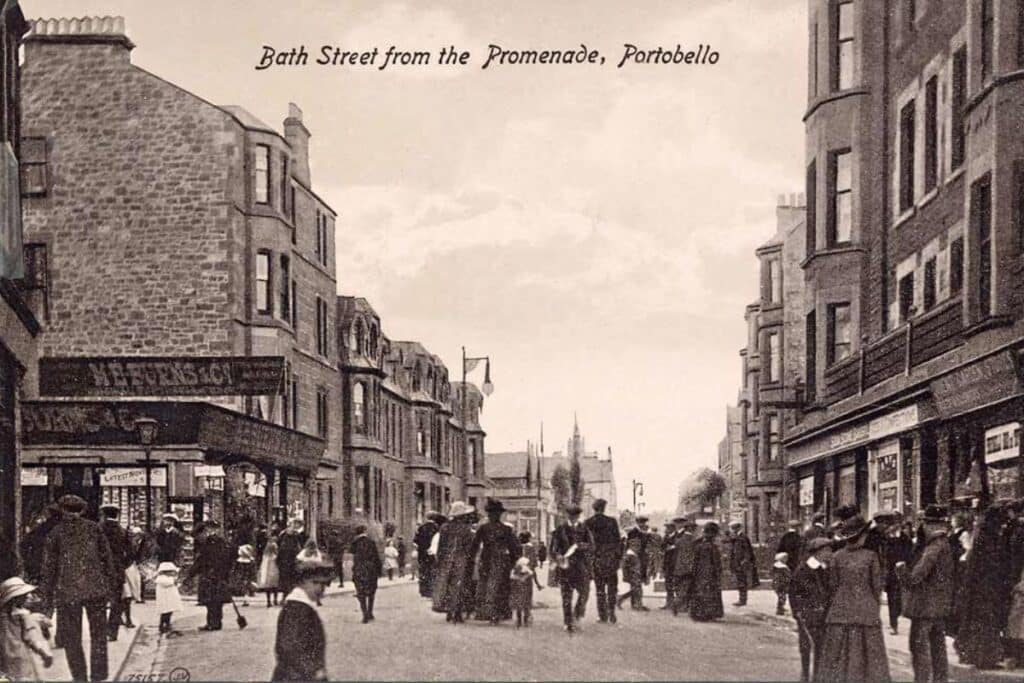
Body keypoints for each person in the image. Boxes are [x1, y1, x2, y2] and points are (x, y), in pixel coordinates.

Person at [40, 494, 117, 682]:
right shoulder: (94, 529)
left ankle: (79, 677)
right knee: (98, 635)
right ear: (82, 510)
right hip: (96, 589)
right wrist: (111, 588)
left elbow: (49, 568)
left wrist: (47, 598)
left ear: (61, 509)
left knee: (72, 638)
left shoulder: (55, 533)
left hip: (67, 592)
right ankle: (99, 675)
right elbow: (107, 560)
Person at [815, 512, 890, 683]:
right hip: (866, 611)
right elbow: (877, 586)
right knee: (870, 658)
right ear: (861, 536)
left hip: (840, 611)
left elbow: (832, 585)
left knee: (837, 657)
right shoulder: (871, 557)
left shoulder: (836, 557)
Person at [897, 505, 954, 683]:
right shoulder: (945, 543)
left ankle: (921, 680)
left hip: (925, 607)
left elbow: (916, 577)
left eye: (924, 523)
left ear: (929, 524)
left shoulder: (933, 547)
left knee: (918, 645)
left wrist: (901, 571)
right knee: (938, 645)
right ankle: (940, 679)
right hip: (940, 605)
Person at [955, 504, 1011, 669]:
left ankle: (977, 655)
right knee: (986, 622)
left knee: (979, 621)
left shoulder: (982, 534)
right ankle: (984, 658)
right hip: (985, 586)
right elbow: (990, 563)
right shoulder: (989, 537)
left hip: (980, 586)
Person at [271, 559, 333, 681]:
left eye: (324, 584)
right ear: (302, 583)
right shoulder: (298, 610)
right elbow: (289, 647)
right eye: (316, 583)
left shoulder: (302, 607)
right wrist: (313, 670)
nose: (321, 589)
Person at [790, 537, 833, 683]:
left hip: (822, 613)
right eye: (827, 550)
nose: (830, 553)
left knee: (820, 646)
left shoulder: (824, 568)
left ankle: (817, 676)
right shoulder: (803, 569)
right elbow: (794, 593)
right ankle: (805, 674)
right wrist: (797, 612)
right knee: (806, 645)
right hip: (807, 613)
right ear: (818, 552)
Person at [471, 499, 521, 624]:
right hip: (499, 560)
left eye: (495, 513)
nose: (493, 516)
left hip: (489, 559)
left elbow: (475, 545)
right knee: (498, 586)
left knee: (489, 585)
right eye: (493, 513)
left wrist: (472, 558)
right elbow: (514, 547)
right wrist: (516, 560)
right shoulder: (505, 529)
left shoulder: (484, 528)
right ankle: (496, 614)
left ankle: (489, 613)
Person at [550, 505, 595, 632]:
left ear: (579, 516)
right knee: (566, 596)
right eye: (571, 516)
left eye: (576, 516)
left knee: (585, 592)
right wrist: (557, 555)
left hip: (581, 566)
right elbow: (553, 548)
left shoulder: (585, 529)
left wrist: (581, 546)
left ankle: (577, 614)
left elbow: (592, 546)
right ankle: (568, 622)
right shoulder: (560, 530)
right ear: (568, 516)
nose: (574, 518)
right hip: (566, 567)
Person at [0, 576, 54, 680]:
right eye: (24, 595)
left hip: (5, 662)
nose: (28, 596)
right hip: (23, 660)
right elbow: (31, 637)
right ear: (16, 598)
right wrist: (44, 653)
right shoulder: (24, 616)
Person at [185, 520, 234, 632]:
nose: (198, 539)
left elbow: (201, 561)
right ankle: (215, 623)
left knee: (212, 601)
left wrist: (191, 574)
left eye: (198, 536)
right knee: (215, 601)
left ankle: (213, 623)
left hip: (211, 576)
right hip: (218, 575)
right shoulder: (219, 542)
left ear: (203, 533)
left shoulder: (210, 544)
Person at [432, 502, 476, 623]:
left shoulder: (445, 527)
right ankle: (457, 612)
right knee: (459, 586)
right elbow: (470, 548)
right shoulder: (466, 529)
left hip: (446, 560)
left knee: (446, 585)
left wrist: (439, 560)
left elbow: (441, 546)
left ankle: (449, 611)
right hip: (461, 560)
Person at [585, 498, 622, 624]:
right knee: (612, 588)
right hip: (611, 560)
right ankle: (612, 613)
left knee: (600, 590)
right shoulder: (612, 522)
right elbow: (618, 542)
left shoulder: (588, 522)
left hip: (597, 560)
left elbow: (586, 544)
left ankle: (602, 616)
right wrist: (617, 559)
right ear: (604, 508)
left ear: (594, 508)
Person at [98, 503, 130, 642]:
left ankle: (101, 630)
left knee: (99, 601)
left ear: (104, 515)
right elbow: (131, 553)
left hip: (100, 569)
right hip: (117, 570)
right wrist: (122, 564)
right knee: (116, 601)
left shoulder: (98, 530)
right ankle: (112, 631)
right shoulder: (123, 531)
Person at [880, 511, 913, 636]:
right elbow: (884, 554)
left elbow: (910, 553)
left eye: (897, 522)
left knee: (898, 599)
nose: (895, 525)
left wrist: (905, 564)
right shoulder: (887, 538)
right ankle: (894, 624)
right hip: (891, 573)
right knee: (892, 599)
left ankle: (897, 618)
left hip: (902, 571)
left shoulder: (905, 538)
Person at [689, 522, 724, 622]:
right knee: (711, 593)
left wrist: (694, 572)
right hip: (710, 574)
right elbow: (716, 563)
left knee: (700, 592)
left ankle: (699, 614)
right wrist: (718, 573)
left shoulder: (699, 546)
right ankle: (709, 614)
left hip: (700, 573)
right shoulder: (713, 547)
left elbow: (694, 561)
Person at [350, 525, 381, 624]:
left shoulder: (354, 543)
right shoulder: (371, 542)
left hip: (359, 568)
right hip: (370, 568)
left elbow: (352, 557)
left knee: (360, 591)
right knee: (372, 591)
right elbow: (376, 557)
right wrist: (379, 570)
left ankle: (364, 614)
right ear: (364, 531)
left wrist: (354, 569)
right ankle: (370, 612)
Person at [276, 519, 309, 597]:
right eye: (295, 524)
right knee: (288, 578)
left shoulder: (295, 535)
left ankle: (287, 595)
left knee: (288, 578)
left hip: (289, 560)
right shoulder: (288, 535)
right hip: (287, 560)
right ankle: (286, 595)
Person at [625, 515, 651, 610]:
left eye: (644, 522)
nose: (643, 524)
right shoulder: (633, 533)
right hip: (634, 559)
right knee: (636, 582)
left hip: (642, 560)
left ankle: (634, 603)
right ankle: (637, 604)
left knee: (636, 582)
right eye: (641, 522)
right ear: (637, 522)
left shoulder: (645, 533)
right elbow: (631, 547)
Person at [672, 518, 698, 615]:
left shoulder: (679, 540)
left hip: (678, 567)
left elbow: (675, 553)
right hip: (689, 568)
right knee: (687, 587)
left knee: (679, 587)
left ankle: (680, 604)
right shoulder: (694, 541)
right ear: (692, 529)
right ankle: (679, 603)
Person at [414, 513, 442, 598]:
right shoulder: (437, 528)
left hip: (422, 554)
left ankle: (424, 590)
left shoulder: (421, 528)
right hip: (433, 553)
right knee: (433, 571)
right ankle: (432, 590)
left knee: (423, 571)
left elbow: (415, 541)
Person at [729, 521, 755, 607]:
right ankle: (741, 599)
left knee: (742, 582)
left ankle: (742, 600)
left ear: (736, 528)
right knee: (740, 581)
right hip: (737, 563)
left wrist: (745, 561)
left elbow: (747, 551)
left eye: (733, 528)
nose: (732, 530)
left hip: (741, 563)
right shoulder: (737, 537)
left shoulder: (743, 537)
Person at [153, 562, 183, 638]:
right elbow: (169, 582)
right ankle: (163, 625)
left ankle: (167, 625)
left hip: (169, 600)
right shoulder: (161, 579)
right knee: (165, 613)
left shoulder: (168, 578)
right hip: (165, 601)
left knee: (169, 613)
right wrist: (174, 581)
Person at [616, 536, 644, 612]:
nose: (638, 548)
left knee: (636, 590)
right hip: (632, 575)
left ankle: (621, 600)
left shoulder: (633, 554)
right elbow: (624, 567)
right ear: (631, 546)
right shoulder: (629, 555)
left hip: (636, 575)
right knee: (637, 590)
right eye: (636, 546)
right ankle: (637, 605)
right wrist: (626, 576)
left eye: (638, 546)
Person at [509, 557, 535, 629]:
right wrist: (521, 578)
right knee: (522, 605)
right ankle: (523, 620)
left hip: (522, 589)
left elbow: (512, 576)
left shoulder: (518, 568)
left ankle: (522, 620)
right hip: (521, 589)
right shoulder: (520, 568)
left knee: (521, 605)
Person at [258, 538, 282, 607]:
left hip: (267, 574)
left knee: (268, 588)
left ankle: (268, 601)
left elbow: (262, 566)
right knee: (275, 588)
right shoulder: (275, 557)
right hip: (275, 572)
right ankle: (275, 600)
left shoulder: (265, 557)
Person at [660, 522, 678, 609]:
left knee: (676, 584)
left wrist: (670, 547)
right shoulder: (666, 537)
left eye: (668, 528)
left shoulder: (677, 536)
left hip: (675, 563)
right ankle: (669, 603)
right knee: (668, 584)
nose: (666, 530)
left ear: (672, 529)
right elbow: (662, 548)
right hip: (667, 564)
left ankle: (676, 603)